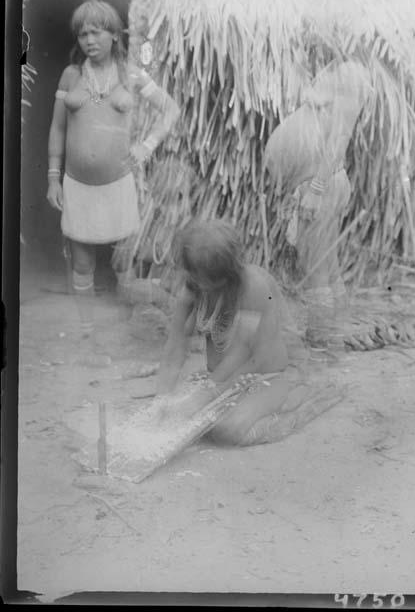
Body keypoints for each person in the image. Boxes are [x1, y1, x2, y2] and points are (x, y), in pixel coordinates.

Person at [46, 0, 179, 336]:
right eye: (82, 35)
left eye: (96, 32)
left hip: (119, 184)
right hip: (77, 185)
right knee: (82, 263)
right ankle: (87, 331)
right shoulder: (71, 75)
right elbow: (58, 128)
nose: (89, 41)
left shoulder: (131, 74)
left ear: (114, 35)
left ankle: (131, 330)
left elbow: (171, 109)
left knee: (127, 261)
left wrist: (146, 146)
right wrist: (52, 177)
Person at [156, 219, 341, 446]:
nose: (192, 281)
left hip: (270, 375)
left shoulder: (255, 287)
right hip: (224, 378)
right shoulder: (193, 287)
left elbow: (251, 357)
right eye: (192, 274)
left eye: (199, 276)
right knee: (181, 417)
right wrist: (162, 400)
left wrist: (204, 395)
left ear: (224, 275)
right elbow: (175, 346)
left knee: (227, 431)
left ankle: (299, 400)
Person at [264, 59, 372, 345]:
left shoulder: (352, 75)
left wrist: (316, 188)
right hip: (316, 185)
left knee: (316, 270)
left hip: (322, 186)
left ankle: (323, 342)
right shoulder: (336, 73)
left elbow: (339, 139)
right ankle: (334, 333)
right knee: (328, 265)